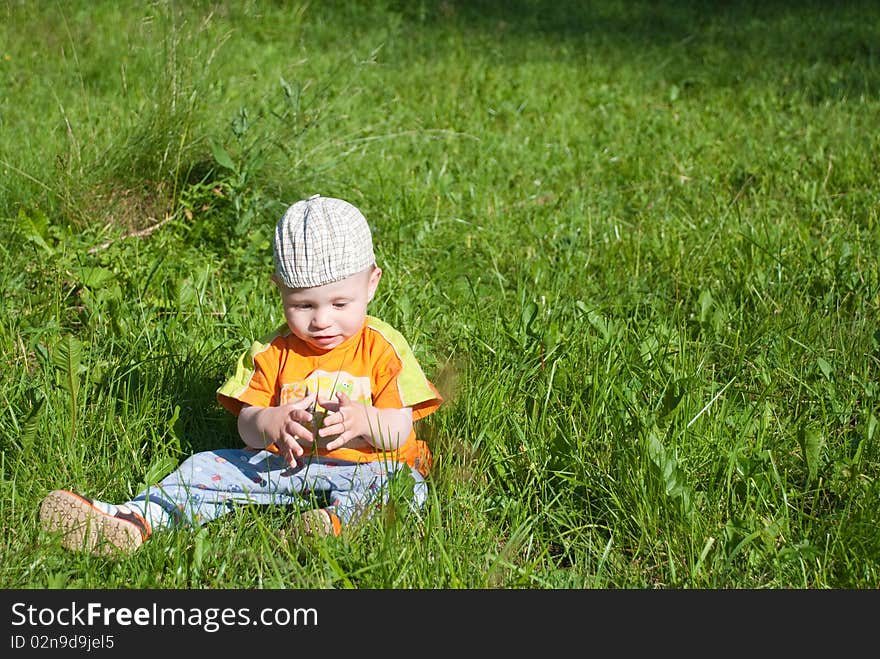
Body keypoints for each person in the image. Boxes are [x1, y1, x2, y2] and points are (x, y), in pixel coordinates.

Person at [39, 194, 443, 556]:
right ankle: (136, 519)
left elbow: (399, 430)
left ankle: (332, 527)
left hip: (367, 466)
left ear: (371, 284)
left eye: (340, 303)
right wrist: (271, 421)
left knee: (403, 486)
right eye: (303, 306)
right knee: (204, 464)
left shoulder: (382, 347)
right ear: (279, 290)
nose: (321, 321)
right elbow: (246, 429)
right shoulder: (273, 351)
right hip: (281, 467)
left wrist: (364, 419)